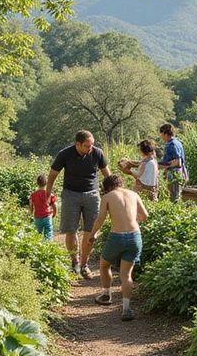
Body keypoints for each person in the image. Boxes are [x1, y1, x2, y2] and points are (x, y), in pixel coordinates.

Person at [45, 130, 111, 278]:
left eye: (92, 144)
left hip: (92, 195)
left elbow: (108, 175)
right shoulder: (65, 154)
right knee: (71, 230)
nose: (91, 148)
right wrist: (47, 193)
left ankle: (84, 265)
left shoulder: (97, 153)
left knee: (91, 231)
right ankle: (74, 261)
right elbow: (52, 175)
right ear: (78, 144)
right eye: (87, 145)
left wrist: (115, 194)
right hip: (70, 195)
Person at [89, 174, 148, 321]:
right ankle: (126, 309)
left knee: (104, 264)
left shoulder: (108, 197)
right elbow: (144, 215)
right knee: (126, 274)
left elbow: (101, 218)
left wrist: (92, 234)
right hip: (135, 236)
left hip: (116, 237)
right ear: (120, 183)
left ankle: (106, 294)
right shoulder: (133, 194)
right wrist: (134, 222)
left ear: (107, 187)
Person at [158, 122, 187, 202]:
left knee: (174, 198)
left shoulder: (172, 144)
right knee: (176, 196)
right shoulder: (177, 142)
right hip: (179, 173)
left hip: (174, 174)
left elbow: (178, 162)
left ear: (165, 133)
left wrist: (165, 166)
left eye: (161, 134)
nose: (160, 136)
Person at [28, 173, 57, 240]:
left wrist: (31, 214)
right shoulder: (49, 194)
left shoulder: (33, 195)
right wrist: (54, 213)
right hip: (47, 216)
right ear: (46, 183)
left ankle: (38, 247)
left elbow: (31, 207)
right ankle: (47, 247)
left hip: (37, 217)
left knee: (37, 234)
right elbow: (55, 205)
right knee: (48, 233)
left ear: (37, 183)